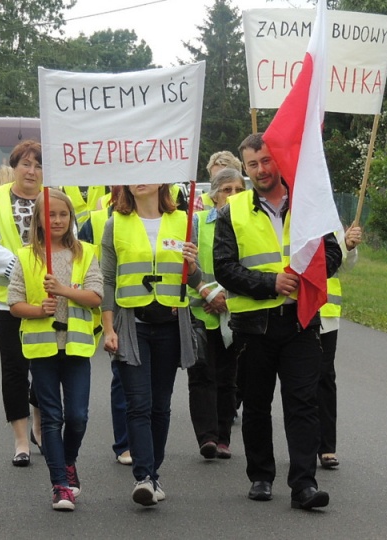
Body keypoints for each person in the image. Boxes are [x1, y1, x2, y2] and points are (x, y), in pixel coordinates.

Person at [214, 133, 342, 510]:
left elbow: (331, 253)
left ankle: (303, 484)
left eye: (266, 161)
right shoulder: (232, 211)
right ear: (244, 168)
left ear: (279, 160)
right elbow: (224, 268)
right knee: (256, 404)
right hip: (254, 326)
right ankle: (261, 476)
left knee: (303, 402)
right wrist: (269, 283)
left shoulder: (308, 204)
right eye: (252, 164)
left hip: (300, 321)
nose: (261, 170)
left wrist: (306, 278)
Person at [101, 183, 201, 507]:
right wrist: (107, 327)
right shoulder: (115, 222)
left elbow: (194, 277)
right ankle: (143, 477)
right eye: (133, 175)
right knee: (138, 403)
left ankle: (154, 473)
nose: (140, 180)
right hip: (133, 326)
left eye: (147, 173)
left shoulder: (185, 221)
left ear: (162, 180)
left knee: (161, 405)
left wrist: (195, 265)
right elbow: (107, 279)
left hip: (170, 326)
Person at [8, 190, 103, 511]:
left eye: (63, 214)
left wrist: (63, 290)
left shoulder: (86, 253)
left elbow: (96, 296)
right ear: (39, 220)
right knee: (52, 417)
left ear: (71, 218)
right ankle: (60, 483)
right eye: (50, 215)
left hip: (77, 347)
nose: (57, 220)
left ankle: (69, 460)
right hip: (42, 349)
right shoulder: (26, 256)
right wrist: (38, 310)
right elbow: (14, 303)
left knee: (77, 416)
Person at [0, 140, 45, 466]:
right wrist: (21, 270)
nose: (31, 171)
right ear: (14, 166)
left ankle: (39, 422)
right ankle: (21, 439)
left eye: (37, 165)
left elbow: (69, 235)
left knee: (43, 364)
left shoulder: (54, 196)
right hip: (5, 298)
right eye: (25, 164)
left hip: (47, 296)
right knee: (15, 367)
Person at [186, 167, 244, 460]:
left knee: (227, 377)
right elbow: (186, 265)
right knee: (201, 374)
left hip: (232, 314)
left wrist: (227, 300)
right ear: (214, 195)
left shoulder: (248, 226)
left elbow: (252, 270)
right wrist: (209, 293)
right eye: (227, 190)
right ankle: (206, 437)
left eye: (238, 190)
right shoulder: (197, 222)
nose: (233, 195)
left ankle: (223, 437)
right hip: (199, 311)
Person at [78, 187, 132, 467]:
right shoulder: (97, 221)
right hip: (112, 308)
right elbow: (79, 259)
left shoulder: (161, 217)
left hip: (153, 308)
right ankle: (124, 443)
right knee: (123, 377)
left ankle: (144, 443)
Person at [316, 224, 362, 469]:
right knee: (296, 383)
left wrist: (349, 246)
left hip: (325, 315)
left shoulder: (329, 221)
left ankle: (326, 447)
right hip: (288, 309)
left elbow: (344, 264)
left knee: (324, 377)